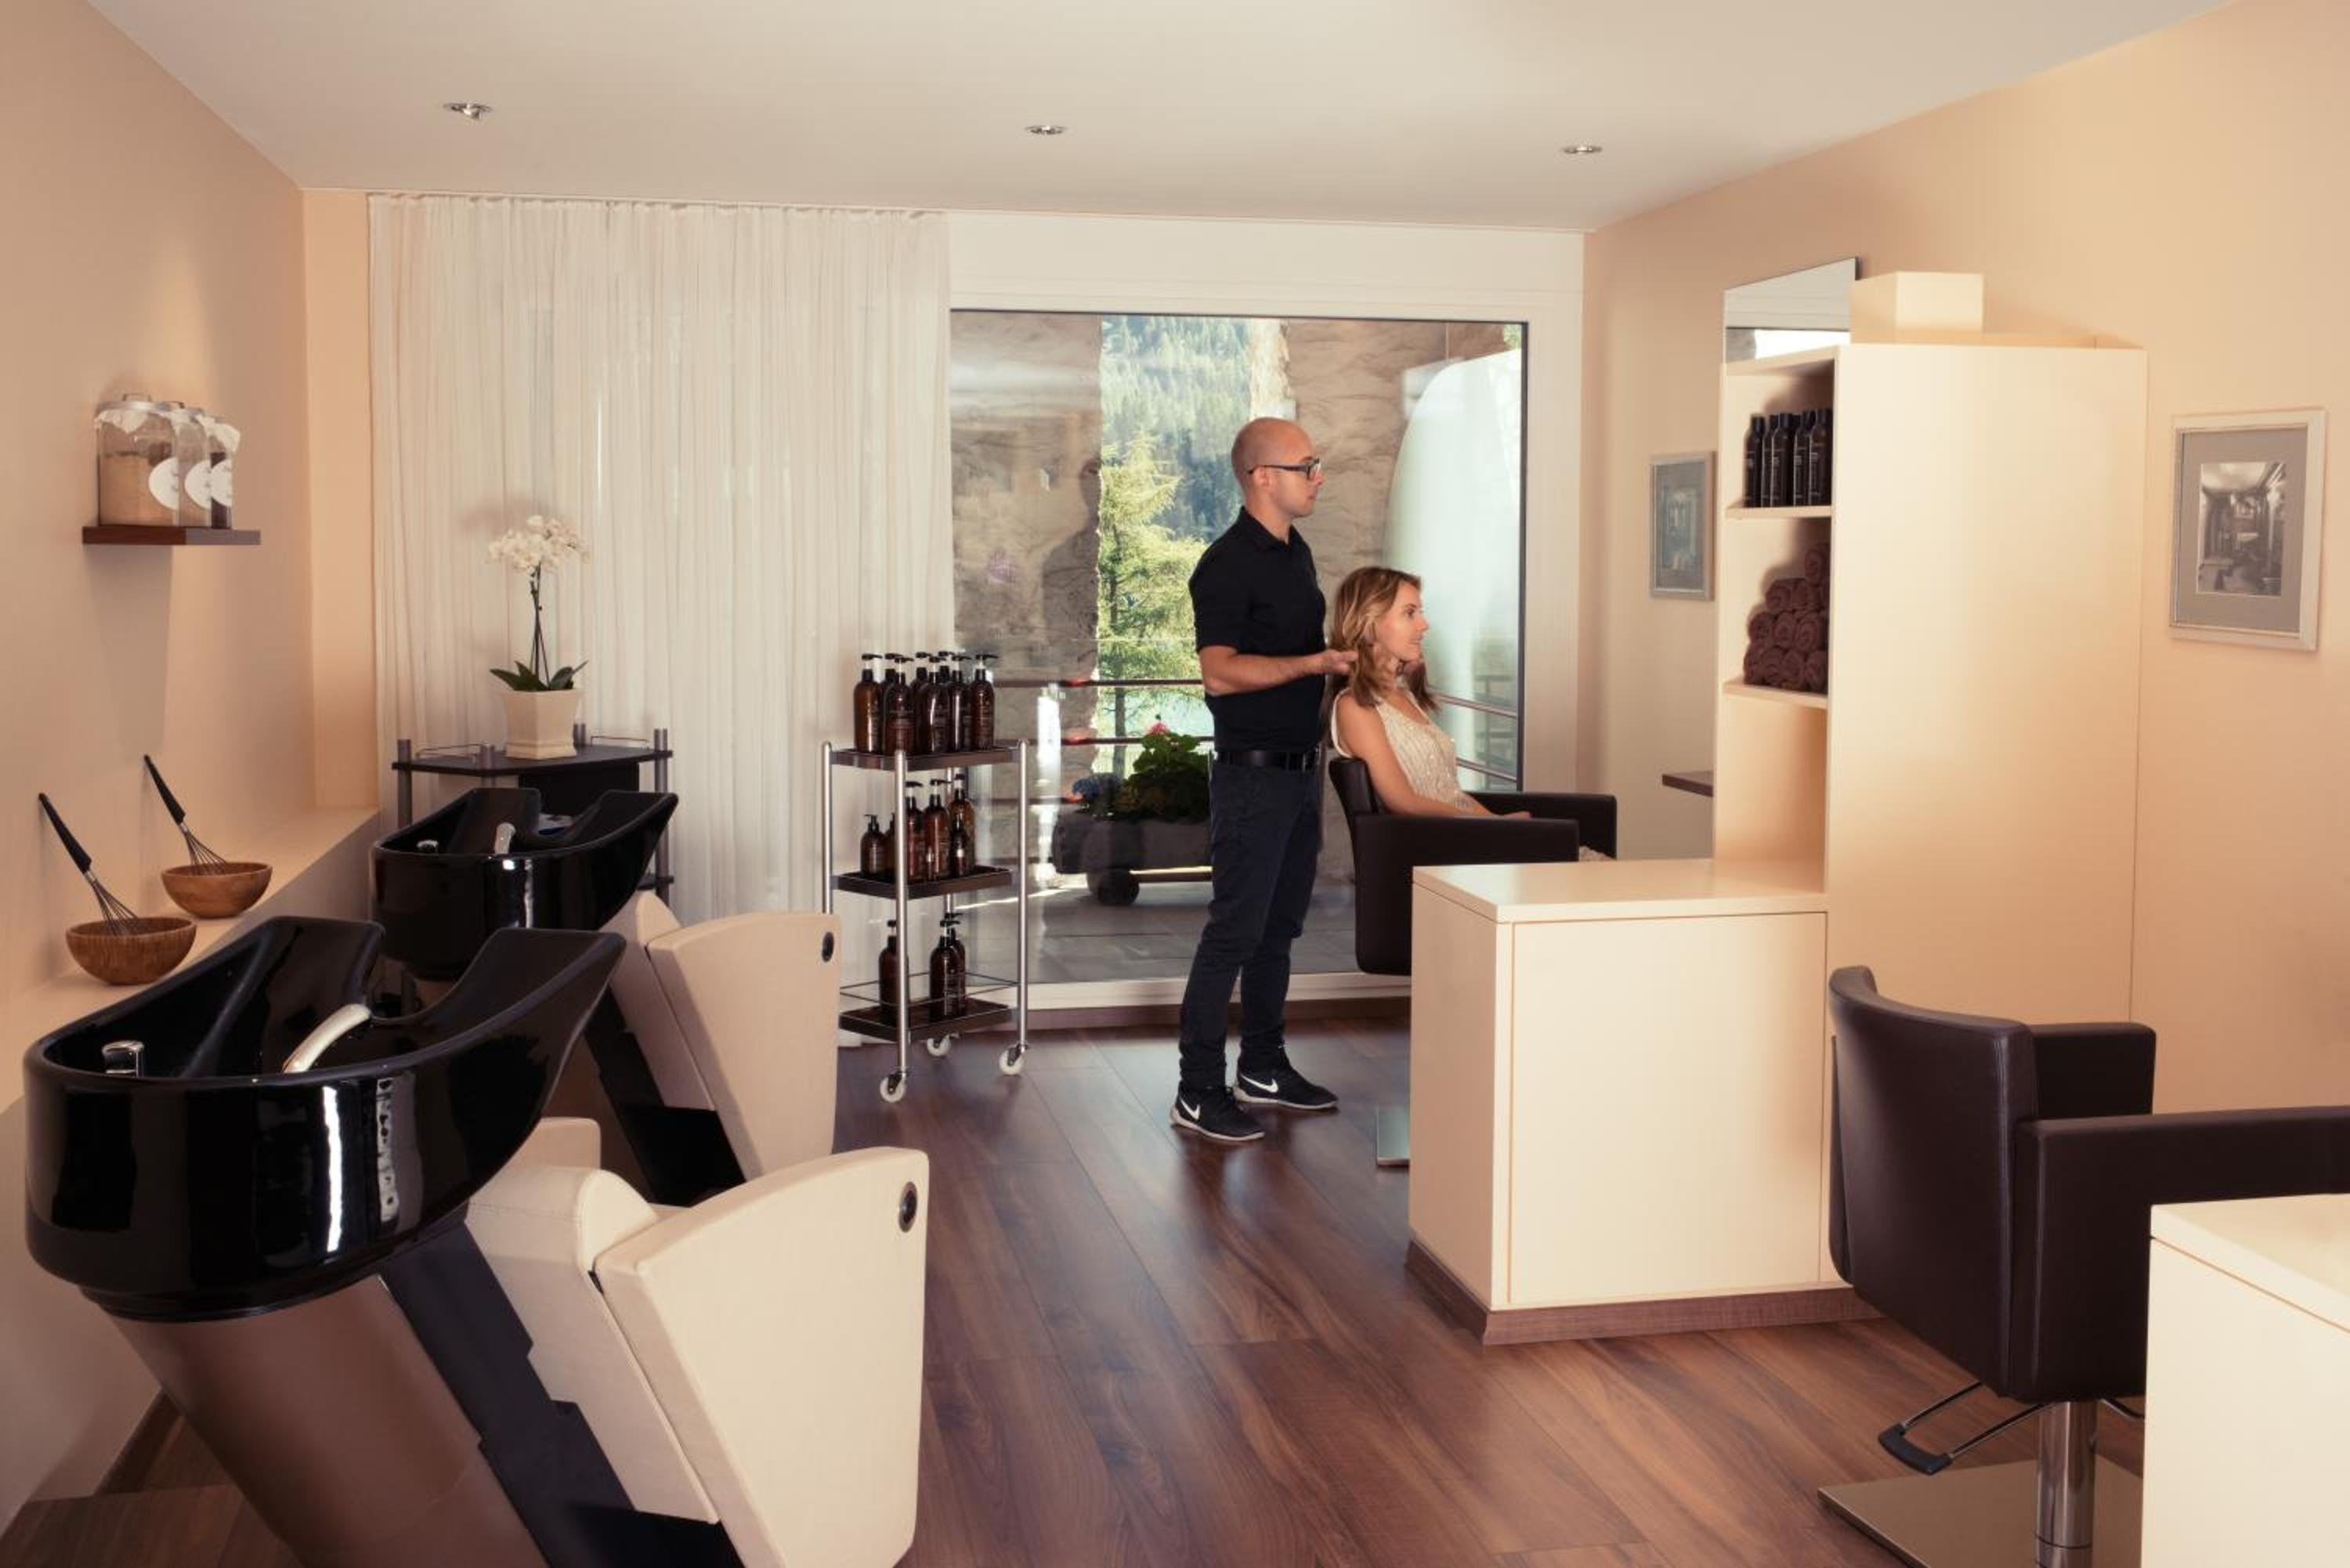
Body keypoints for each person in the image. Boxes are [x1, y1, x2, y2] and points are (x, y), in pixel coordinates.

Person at [1171, 417, 1353, 1143]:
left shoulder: (1295, 552)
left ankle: (1264, 1067)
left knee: (1279, 930)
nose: (1318, 477)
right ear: (1262, 477)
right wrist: (1314, 664)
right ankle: (1196, 1090)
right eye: (1306, 465)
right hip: (1250, 780)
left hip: (1300, 773)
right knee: (1234, 935)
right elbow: (1219, 673)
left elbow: (1303, 660)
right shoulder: (1225, 564)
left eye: (1317, 463)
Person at [1326, 566, 1526, 818]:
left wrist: (1498, 823)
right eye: (1410, 613)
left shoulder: (1404, 696)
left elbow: (1451, 795)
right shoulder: (1355, 706)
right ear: (1369, 625)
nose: (1424, 625)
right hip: (1433, 839)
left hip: (1458, 833)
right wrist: (1495, 827)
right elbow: (1403, 803)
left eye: (1420, 613)